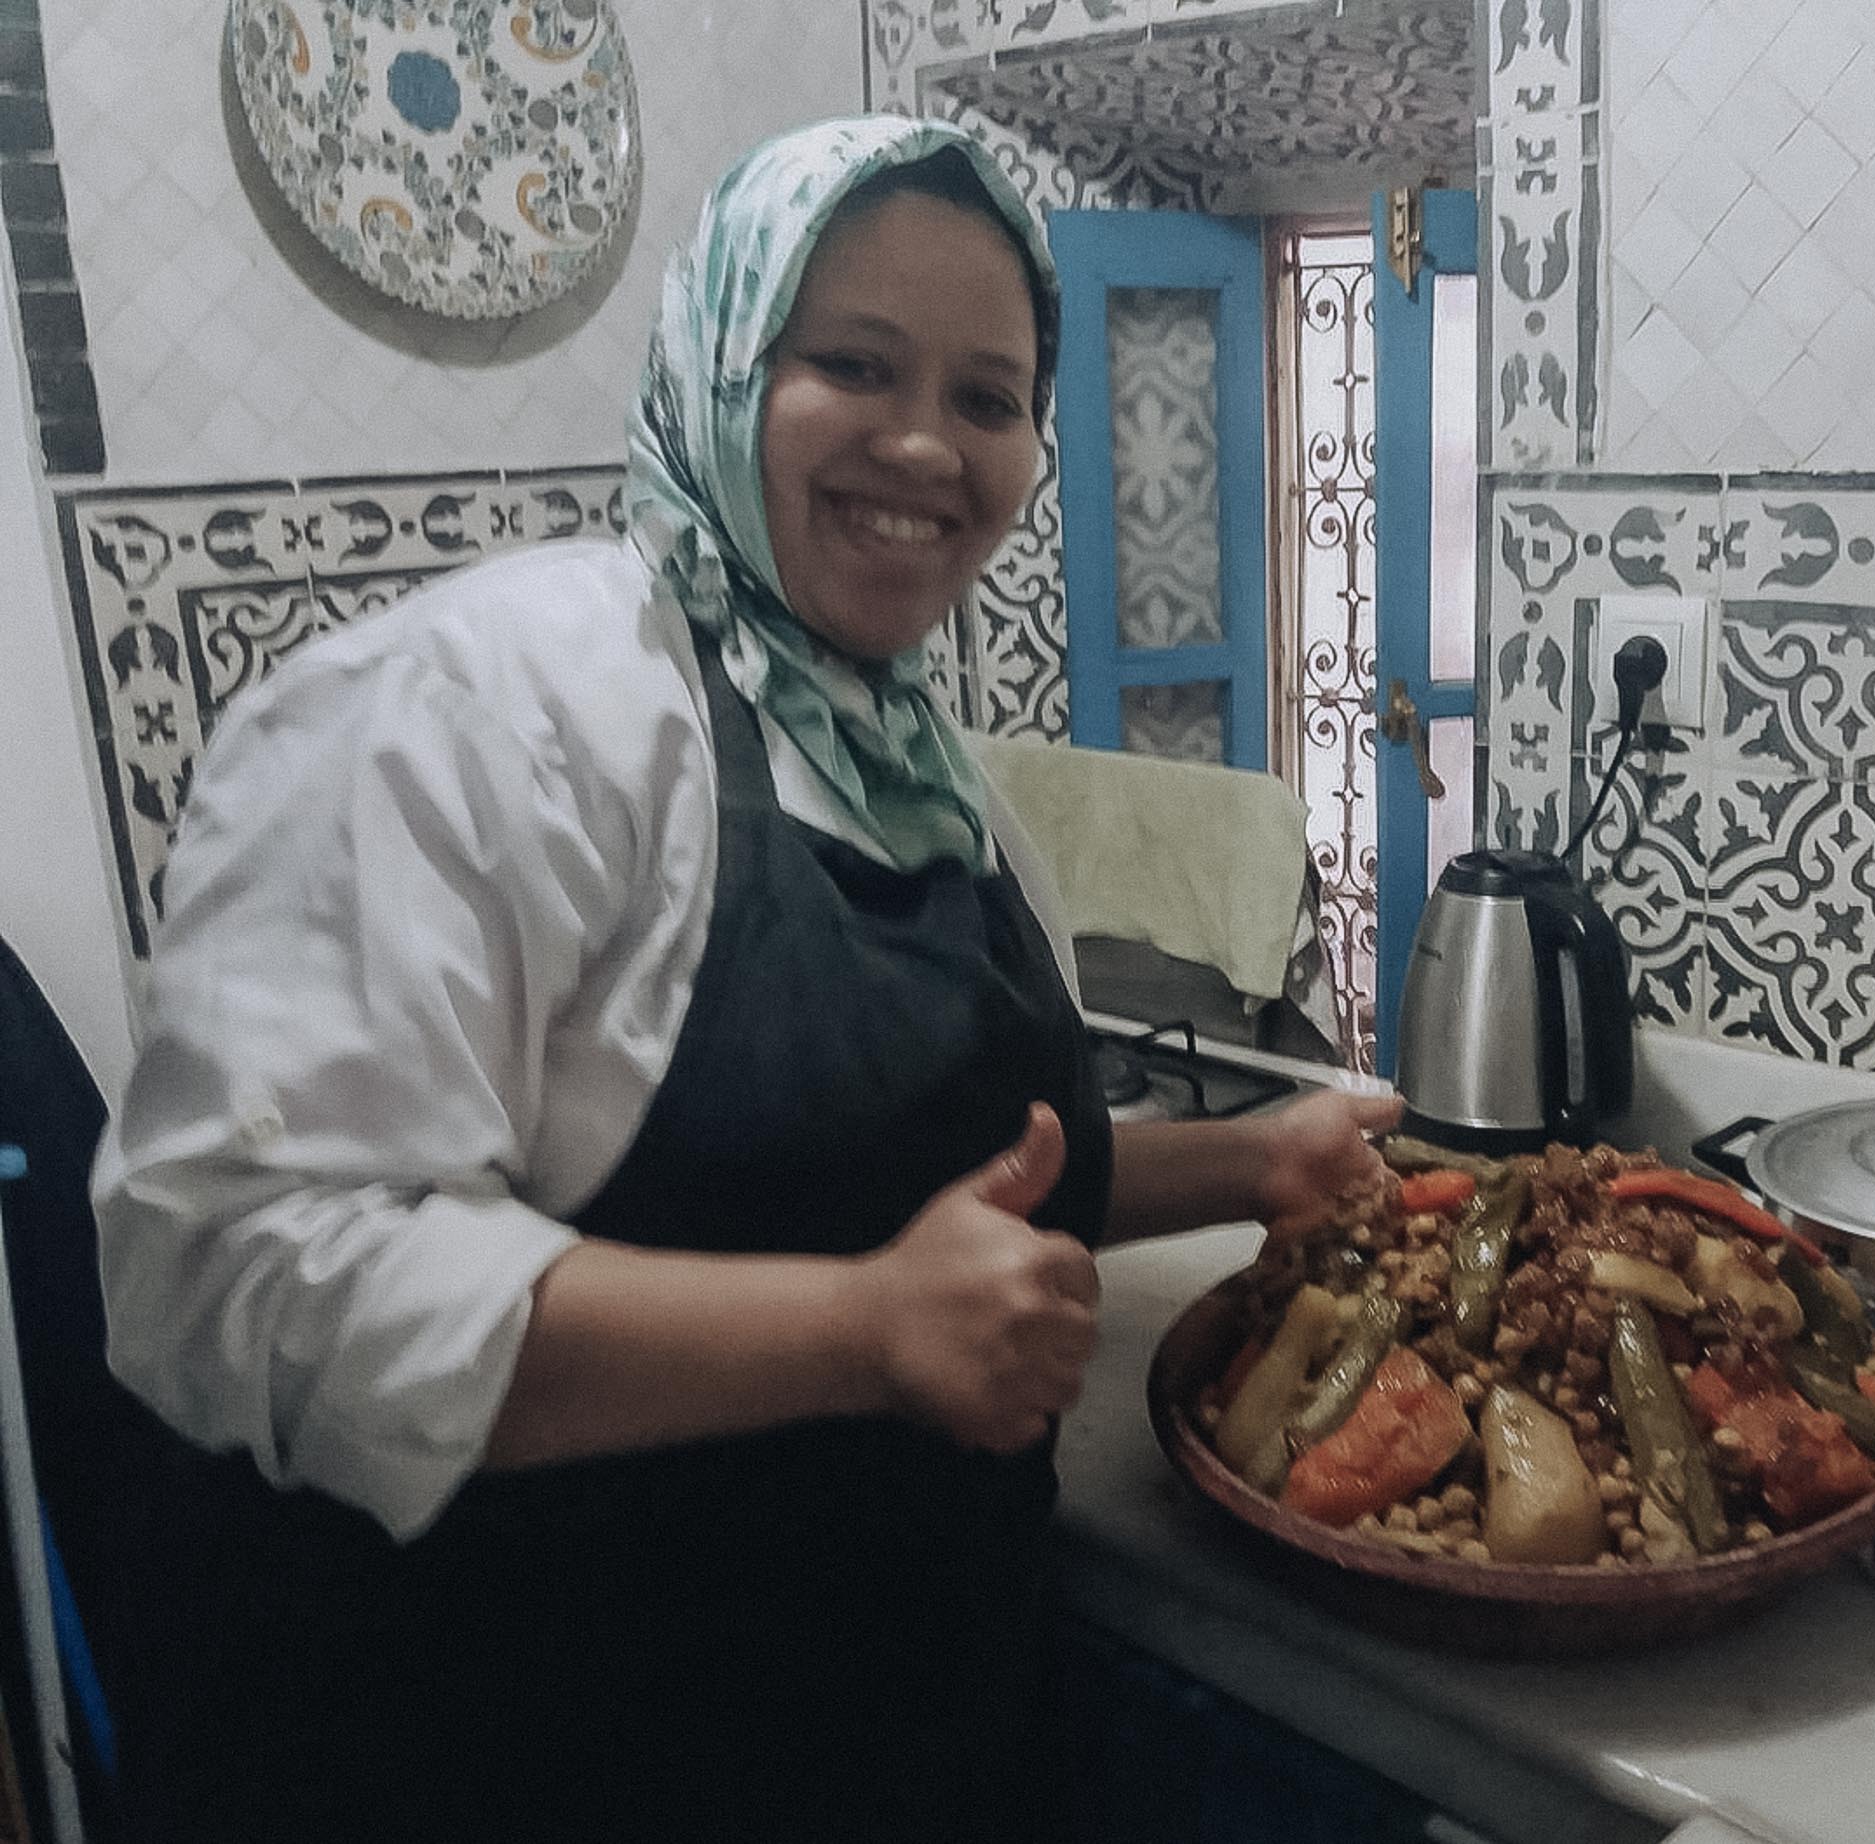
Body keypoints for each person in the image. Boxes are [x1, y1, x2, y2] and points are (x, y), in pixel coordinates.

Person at [90, 115, 1398, 1844]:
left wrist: (1248, 1160)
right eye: (854, 363)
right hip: (512, 1736)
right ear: (721, 360)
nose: (929, 443)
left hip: (875, 1725)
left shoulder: (913, 754)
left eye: (992, 398)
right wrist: (858, 1337)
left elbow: (926, 1180)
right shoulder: (488, 704)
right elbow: (231, 1268)